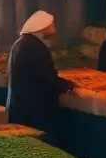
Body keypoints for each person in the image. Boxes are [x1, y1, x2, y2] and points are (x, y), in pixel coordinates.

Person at [7, 11, 72, 143]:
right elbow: (47, 77)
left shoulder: (21, 43)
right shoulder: (34, 46)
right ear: (43, 27)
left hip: (21, 106)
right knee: (39, 146)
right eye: (51, 25)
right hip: (34, 110)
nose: (54, 29)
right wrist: (67, 86)